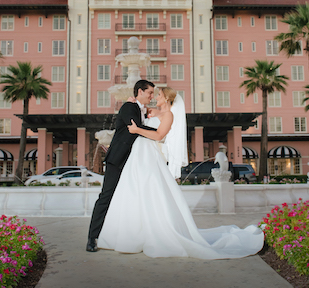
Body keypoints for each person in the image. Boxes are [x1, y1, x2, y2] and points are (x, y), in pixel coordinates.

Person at [97, 87, 264, 259]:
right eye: (154, 94)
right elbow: (140, 109)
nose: (155, 97)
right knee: (132, 191)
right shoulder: (153, 111)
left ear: (167, 99)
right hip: (137, 155)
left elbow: (159, 135)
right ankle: (132, 233)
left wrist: (137, 130)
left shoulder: (169, 116)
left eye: (159, 95)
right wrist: (133, 101)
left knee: (150, 190)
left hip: (149, 155)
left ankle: (153, 233)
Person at [86, 79, 157, 252]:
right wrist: (161, 132)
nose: (151, 96)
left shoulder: (140, 110)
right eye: (150, 93)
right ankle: (92, 238)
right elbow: (137, 128)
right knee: (106, 197)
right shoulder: (128, 107)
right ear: (140, 91)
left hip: (133, 162)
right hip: (118, 161)